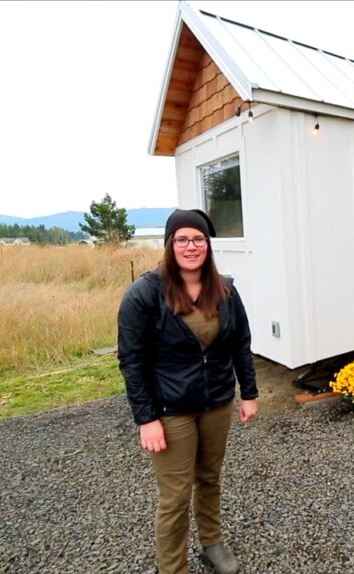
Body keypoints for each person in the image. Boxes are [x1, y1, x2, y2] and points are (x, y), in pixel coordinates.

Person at [117, 209, 258, 574]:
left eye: (198, 239)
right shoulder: (145, 294)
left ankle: (212, 543)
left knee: (210, 478)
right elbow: (132, 360)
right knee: (176, 497)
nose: (190, 246)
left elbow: (241, 343)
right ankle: (173, 567)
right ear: (169, 244)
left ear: (208, 245)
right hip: (170, 410)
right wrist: (146, 418)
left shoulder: (225, 290)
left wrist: (249, 393)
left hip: (215, 405)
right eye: (182, 239)